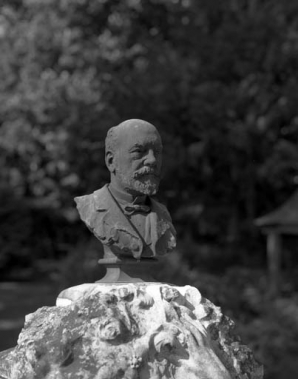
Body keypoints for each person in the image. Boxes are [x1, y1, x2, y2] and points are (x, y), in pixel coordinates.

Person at [75, 119, 176, 260]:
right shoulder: (91, 206)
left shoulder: (163, 216)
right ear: (111, 161)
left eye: (157, 152)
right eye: (139, 151)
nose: (152, 160)